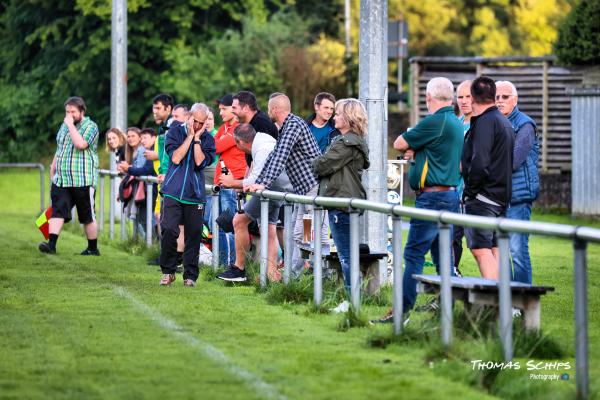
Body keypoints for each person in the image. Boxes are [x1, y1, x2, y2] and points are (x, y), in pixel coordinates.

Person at [375, 77, 463, 324]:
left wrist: (414, 146)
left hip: (432, 198)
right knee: (442, 256)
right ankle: (448, 312)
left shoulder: (435, 121)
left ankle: (400, 312)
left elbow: (399, 143)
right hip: (449, 196)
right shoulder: (455, 122)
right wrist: (421, 149)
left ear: (427, 98)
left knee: (413, 253)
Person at [246, 93, 329, 279]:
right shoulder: (286, 127)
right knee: (297, 232)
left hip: (313, 189)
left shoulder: (293, 125)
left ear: (275, 109)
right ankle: (294, 275)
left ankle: (323, 274)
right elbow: (273, 156)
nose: (267, 112)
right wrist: (255, 182)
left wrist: (262, 183)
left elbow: (280, 157)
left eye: (269, 108)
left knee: (313, 233)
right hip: (303, 191)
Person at [313, 98, 369, 312]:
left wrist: (317, 161)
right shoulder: (351, 140)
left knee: (346, 255)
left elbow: (321, 165)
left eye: (337, 113)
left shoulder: (346, 142)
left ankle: (352, 302)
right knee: (348, 253)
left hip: (342, 201)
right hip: (345, 199)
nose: (334, 117)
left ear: (348, 117)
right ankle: (353, 299)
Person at [217, 124, 293, 282]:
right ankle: (271, 276)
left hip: (271, 190)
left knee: (239, 221)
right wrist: (241, 184)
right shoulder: (264, 140)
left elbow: (257, 180)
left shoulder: (262, 148)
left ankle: (239, 269)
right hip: (276, 189)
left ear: (240, 143)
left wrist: (233, 183)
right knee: (268, 230)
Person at [462, 76, 514, 280]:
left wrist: (470, 192)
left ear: (474, 98)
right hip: (501, 198)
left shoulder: (484, 123)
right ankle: (507, 303)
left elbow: (480, 162)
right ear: (493, 95)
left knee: (481, 250)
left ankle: (498, 303)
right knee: (495, 250)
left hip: (483, 199)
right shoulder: (504, 122)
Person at [159, 103, 216, 287]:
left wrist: (197, 139)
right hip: (172, 191)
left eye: (202, 122)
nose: (199, 126)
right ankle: (168, 271)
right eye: (196, 121)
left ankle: (190, 276)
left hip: (195, 194)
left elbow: (200, 162)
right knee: (169, 229)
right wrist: (190, 136)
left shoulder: (208, 139)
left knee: (193, 235)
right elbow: (176, 158)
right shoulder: (175, 132)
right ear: (189, 117)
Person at [39, 96, 100, 255]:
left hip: (83, 179)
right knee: (57, 210)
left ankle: (92, 249)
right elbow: (60, 148)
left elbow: (80, 145)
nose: (69, 114)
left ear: (82, 111)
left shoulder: (90, 126)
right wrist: (53, 166)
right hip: (62, 178)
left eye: (73, 111)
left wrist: (71, 126)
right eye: (67, 111)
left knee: (87, 215)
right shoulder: (64, 126)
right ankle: (51, 245)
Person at [496, 80, 539, 284]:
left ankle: (524, 304)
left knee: (518, 251)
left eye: (505, 97)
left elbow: (513, 161)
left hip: (518, 197)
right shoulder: (494, 122)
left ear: (515, 99)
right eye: (496, 97)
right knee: (500, 251)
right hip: (497, 197)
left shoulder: (525, 124)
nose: (500, 101)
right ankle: (507, 300)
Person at [213, 94, 245, 266]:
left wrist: (219, 142)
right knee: (221, 224)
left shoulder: (238, 129)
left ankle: (233, 265)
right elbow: (213, 145)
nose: (221, 113)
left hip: (234, 183)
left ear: (233, 109)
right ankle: (223, 263)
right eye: (220, 109)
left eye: (223, 109)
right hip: (222, 182)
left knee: (232, 226)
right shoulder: (223, 128)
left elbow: (216, 146)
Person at [451, 80, 473, 275]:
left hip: (475, 194)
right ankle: (452, 276)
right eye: (460, 97)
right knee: (452, 238)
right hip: (453, 192)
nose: (464, 101)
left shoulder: (482, 124)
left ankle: (498, 294)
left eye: (468, 96)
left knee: (482, 246)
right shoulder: (455, 124)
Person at [231, 90, 278, 166]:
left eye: (234, 108)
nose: (232, 111)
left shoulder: (261, 123)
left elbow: (262, 160)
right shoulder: (251, 123)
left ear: (246, 108)